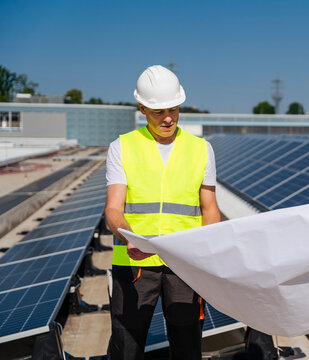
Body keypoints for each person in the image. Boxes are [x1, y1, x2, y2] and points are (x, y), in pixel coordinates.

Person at [105, 65, 221, 359]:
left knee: (187, 349)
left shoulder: (201, 149)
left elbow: (210, 209)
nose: (168, 118)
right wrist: (128, 236)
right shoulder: (122, 147)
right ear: (142, 108)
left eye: (173, 109)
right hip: (134, 266)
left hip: (184, 265)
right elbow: (113, 209)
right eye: (159, 112)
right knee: (126, 348)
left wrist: (210, 256)